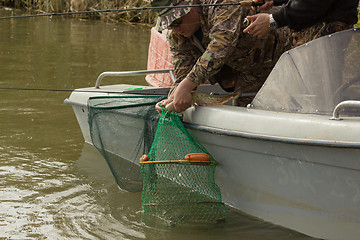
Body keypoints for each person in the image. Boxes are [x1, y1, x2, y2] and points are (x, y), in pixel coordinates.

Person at [153, 0, 291, 113]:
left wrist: (186, 85)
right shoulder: (177, 36)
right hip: (243, 77)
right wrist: (173, 97)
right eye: (169, 25)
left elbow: (220, 46)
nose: (175, 29)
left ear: (191, 7)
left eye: (176, 21)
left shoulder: (221, 4)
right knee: (244, 116)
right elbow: (183, 72)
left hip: (280, 62)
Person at [243, 0, 359, 47]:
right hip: (316, 38)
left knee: (317, 92)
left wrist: (274, 20)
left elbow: (314, 3)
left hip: (325, 37)